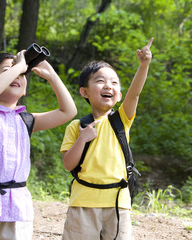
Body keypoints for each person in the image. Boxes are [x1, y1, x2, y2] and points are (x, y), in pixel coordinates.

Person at [0, 50, 77, 240]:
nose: (17, 75)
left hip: (16, 204)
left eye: (21, 74)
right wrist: (20, 66)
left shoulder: (26, 120)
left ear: (24, 89)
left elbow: (68, 111)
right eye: (7, 71)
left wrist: (52, 76)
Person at [60, 37, 153, 240]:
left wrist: (143, 65)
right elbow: (68, 164)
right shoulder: (76, 126)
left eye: (114, 82)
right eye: (100, 81)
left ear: (119, 94)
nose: (108, 86)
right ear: (84, 91)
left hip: (118, 202)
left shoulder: (121, 119)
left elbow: (135, 95)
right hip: (83, 202)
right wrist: (82, 139)